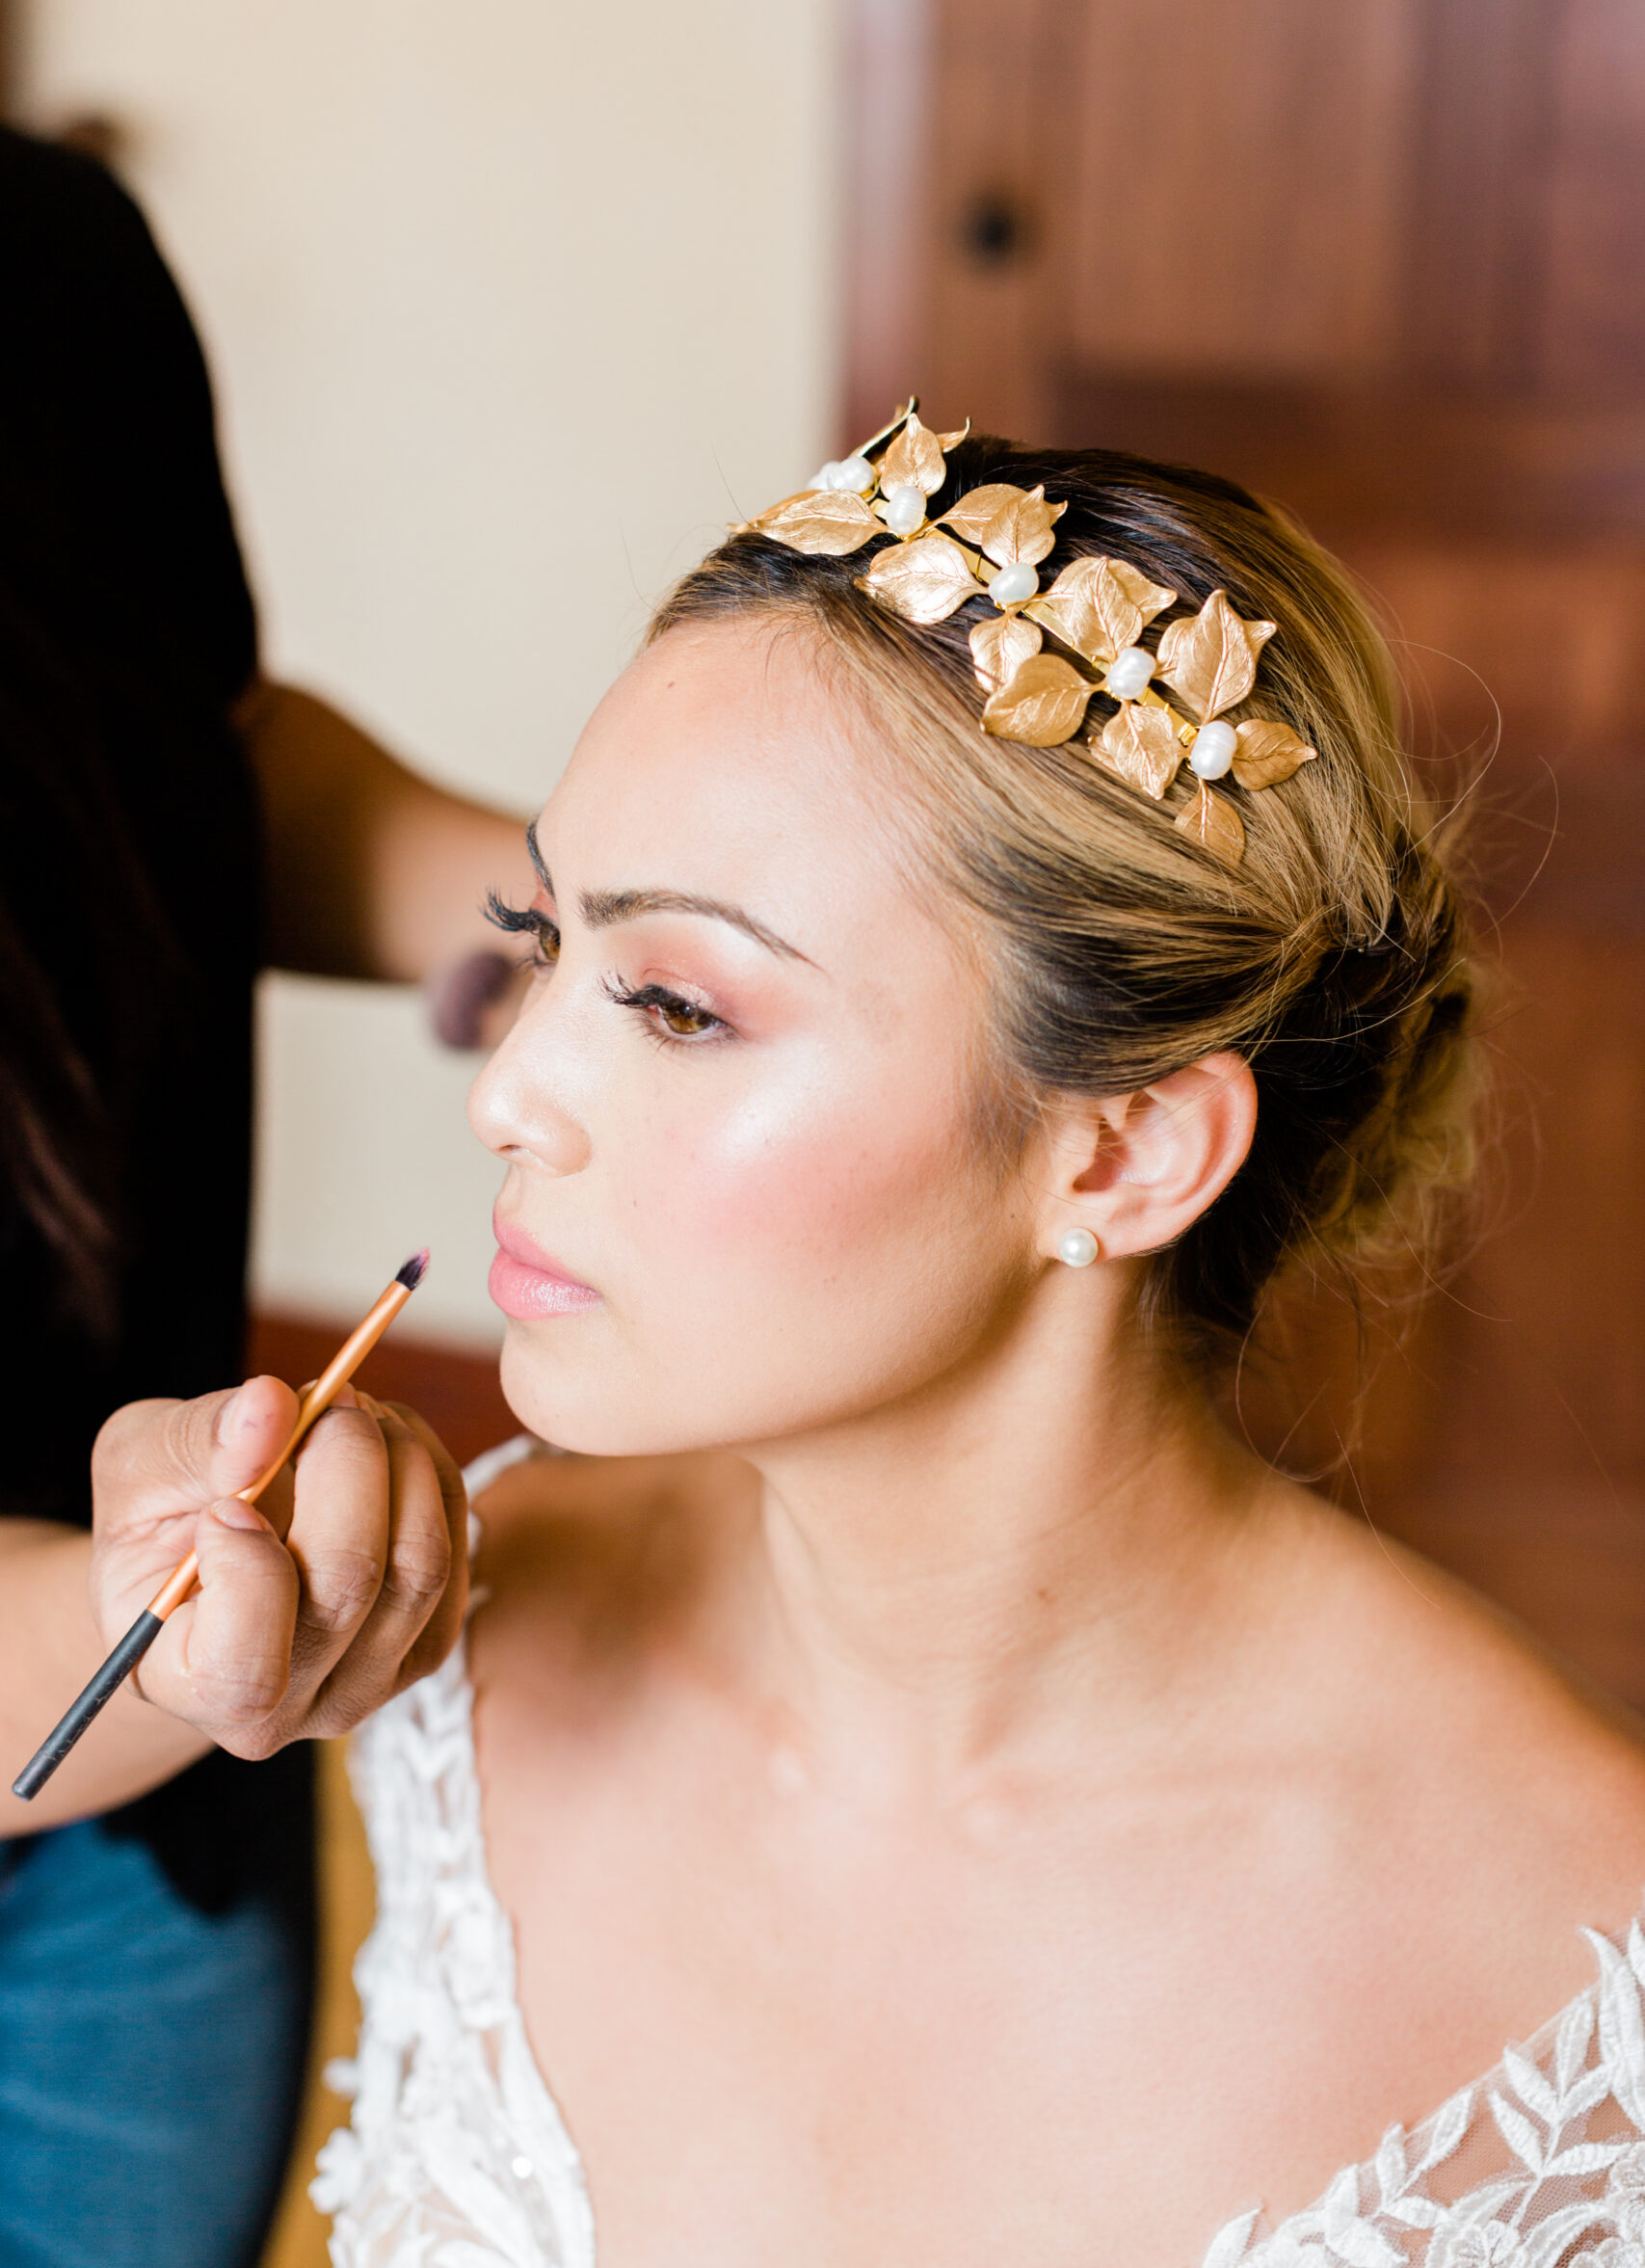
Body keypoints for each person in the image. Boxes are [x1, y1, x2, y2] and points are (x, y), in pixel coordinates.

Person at [318, 411, 1645, 2268]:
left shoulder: (1569, 1968)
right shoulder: (476, 1625)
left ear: (1118, 1151)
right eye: (534, 936)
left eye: (680, 1006)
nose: (512, 1092)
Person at [0, 123, 526, 2268]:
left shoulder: (48, 262)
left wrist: (575, 911)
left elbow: (189, 747)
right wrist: (166, 1644)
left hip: (155, 1822)